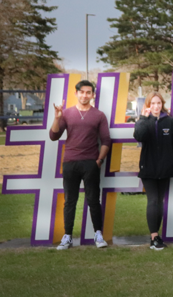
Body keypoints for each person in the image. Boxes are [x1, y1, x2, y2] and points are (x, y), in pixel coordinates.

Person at [50, 80, 112, 250]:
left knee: (93, 200)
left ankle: (98, 235)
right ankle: (67, 236)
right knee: (70, 201)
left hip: (90, 163)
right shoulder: (67, 113)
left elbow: (106, 140)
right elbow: (54, 136)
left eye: (88, 92)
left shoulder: (99, 115)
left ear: (92, 95)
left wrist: (99, 160)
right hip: (70, 163)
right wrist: (57, 119)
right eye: (82, 92)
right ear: (76, 93)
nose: (85, 95)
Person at [133, 92, 173, 250]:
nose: (156, 106)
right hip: (148, 168)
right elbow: (139, 136)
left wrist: (170, 161)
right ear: (147, 105)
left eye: (158, 103)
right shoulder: (144, 122)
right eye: (152, 103)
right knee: (153, 201)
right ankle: (154, 237)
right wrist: (142, 119)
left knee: (159, 202)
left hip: (164, 169)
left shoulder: (169, 121)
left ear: (162, 104)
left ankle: (156, 236)